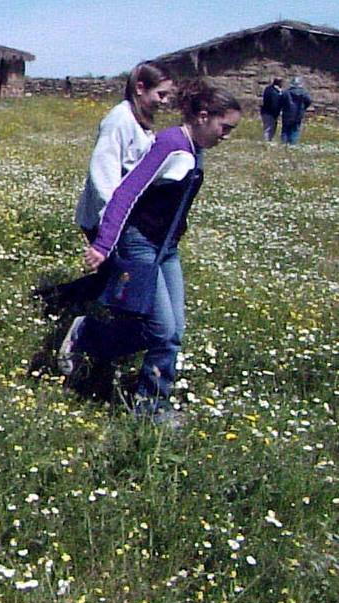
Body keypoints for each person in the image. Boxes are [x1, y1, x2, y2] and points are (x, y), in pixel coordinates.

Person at [57, 80, 242, 425]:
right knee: (161, 330)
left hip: (165, 249)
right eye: (225, 127)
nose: (226, 135)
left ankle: (94, 341)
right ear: (204, 116)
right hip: (140, 244)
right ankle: (147, 405)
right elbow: (126, 193)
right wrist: (103, 243)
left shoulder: (193, 147)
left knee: (173, 331)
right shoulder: (172, 144)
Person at [38, 63, 175, 315]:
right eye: (161, 94)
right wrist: (112, 225)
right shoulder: (119, 120)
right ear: (140, 88)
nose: (165, 101)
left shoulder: (140, 119)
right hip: (106, 217)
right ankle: (59, 304)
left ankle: (54, 300)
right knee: (120, 278)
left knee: (113, 277)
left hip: (123, 217)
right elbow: (103, 174)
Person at [279, 76, 313, 145]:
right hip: (299, 114)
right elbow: (309, 101)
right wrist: (304, 107)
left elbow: (281, 101)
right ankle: (293, 145)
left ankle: (284, 144)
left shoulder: (286, 92)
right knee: (295, 129)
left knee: (285, 130)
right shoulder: (304, 93)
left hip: (287, 114)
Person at [260, 77, 283, 142]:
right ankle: (266, 142)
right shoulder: (274, 92)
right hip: (270, 113)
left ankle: (268, 141)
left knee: (270, 128)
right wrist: (276, 114)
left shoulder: (268, 89)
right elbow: (274, 104)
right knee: (269, 128)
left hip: (265, 112)